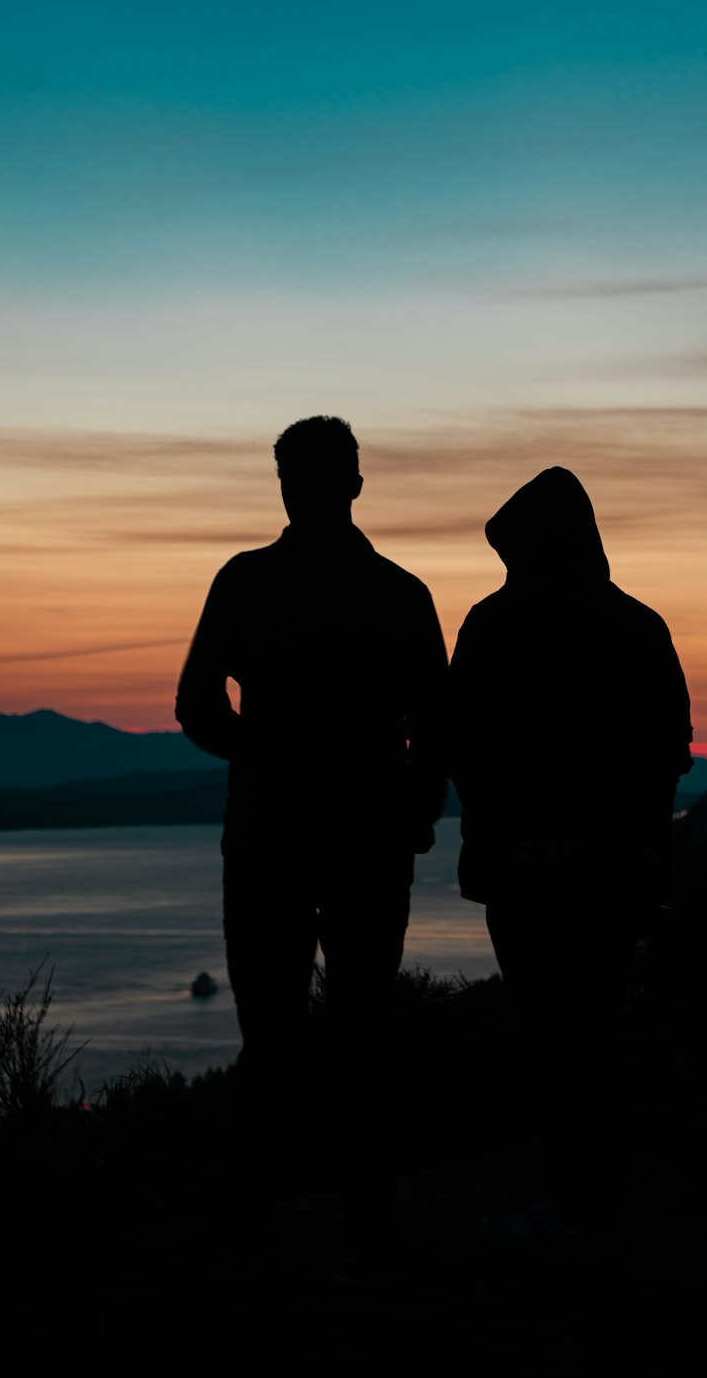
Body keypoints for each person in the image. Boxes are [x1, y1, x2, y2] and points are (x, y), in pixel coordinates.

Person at [176, 415, 448, 1258]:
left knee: (271, 1040)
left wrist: (263, 752)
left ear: (289, 484)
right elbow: (437, 730)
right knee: (364, 1031)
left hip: (271, 839)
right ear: (355, 484)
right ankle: (365, 1230)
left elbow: (197, 705)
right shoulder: (400, 594)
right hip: (360, 840)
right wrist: (414, 812)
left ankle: (244, 1232)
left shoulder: (250, 581)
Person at [446, 466, 692, 1250]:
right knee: (593, 1031)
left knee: (553, 1039)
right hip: (616, 872)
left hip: (523, 872)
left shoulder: (491, 624)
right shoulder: (639, 626)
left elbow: (458, 742)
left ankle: (577, 1208)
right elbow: (671, 752)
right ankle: (597, 1202)